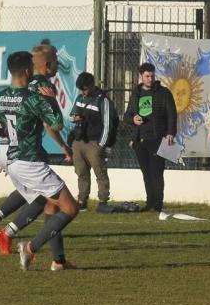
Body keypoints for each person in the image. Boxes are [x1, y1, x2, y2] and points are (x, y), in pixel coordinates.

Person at [0, 51, 79, 271]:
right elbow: (56, 125)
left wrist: (7, 130)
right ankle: (29, 248)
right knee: (70, 208)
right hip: (29, 161)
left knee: (48, 204)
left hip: (11, 159)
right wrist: (53, 101)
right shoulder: (33, 98)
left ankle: (58, 261)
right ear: (27, 70)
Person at [123, 62, 177, 212]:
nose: (150, 79)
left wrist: (171, 132)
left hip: (158, 138)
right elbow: (127, 115)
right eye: (147, 76)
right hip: (140, 139)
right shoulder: (136, 93)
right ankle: (150, 202)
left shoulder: (163, 93)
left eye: (152, 76)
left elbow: (172, 114)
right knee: (146, 172)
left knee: (157, 172)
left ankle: (158, 203)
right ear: (141, 77)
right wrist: (133, 119)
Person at [70, 72, 115, 211]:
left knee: (100, 173)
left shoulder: (103, 100)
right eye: (80, 89)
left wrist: (101, 145)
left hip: (94, 142)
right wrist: (75, 118)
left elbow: (108, 124)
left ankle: (103, 201)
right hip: (79, 142)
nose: (83, 92)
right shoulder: (79, 98)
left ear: (91, 85)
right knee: (81, 172)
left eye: (85, 89)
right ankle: (82, 201)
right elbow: (71, 116)